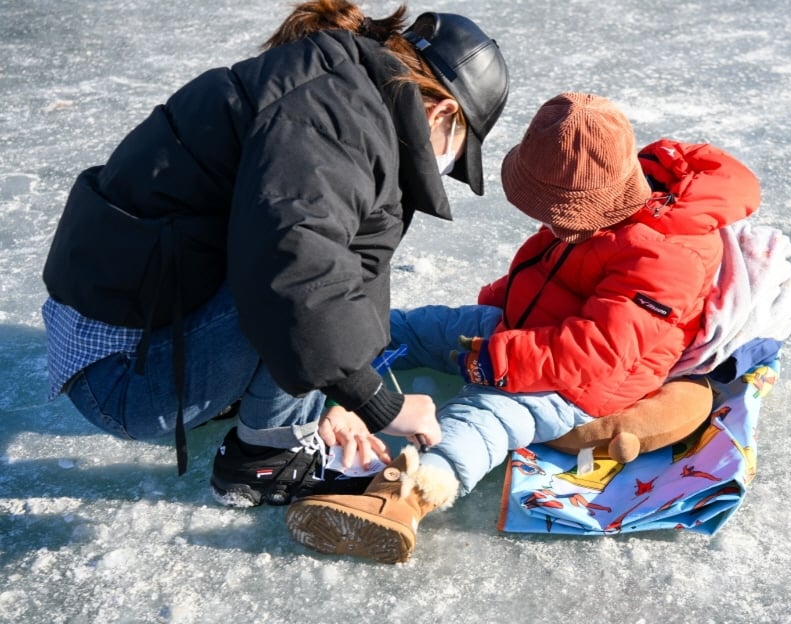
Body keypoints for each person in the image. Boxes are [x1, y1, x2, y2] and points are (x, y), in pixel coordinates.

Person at [39, 0, 510, 507]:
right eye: (459, 153)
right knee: (291, 281)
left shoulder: (347, 96)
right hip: (123, 376)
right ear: (442, 112)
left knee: (314, 279)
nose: (447, 168)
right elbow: (292, 272)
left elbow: (354, 264)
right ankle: (266, 458)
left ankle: (270, 407)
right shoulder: (332, 117)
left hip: (139, 334)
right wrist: (378, 402)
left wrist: (341, 392)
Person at [285, 91, 762, 563]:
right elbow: (551, 268)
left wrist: (498, 358)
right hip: (526, 329)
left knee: (484, 414)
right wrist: (500, 305)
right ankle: (323, 349)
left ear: (591, 203)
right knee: (422, 327)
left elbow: (599, 351)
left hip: (581, 383)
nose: (546, 222)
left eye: (554, 214)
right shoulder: (598, 204)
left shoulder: (662, 257)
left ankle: (407, 496)